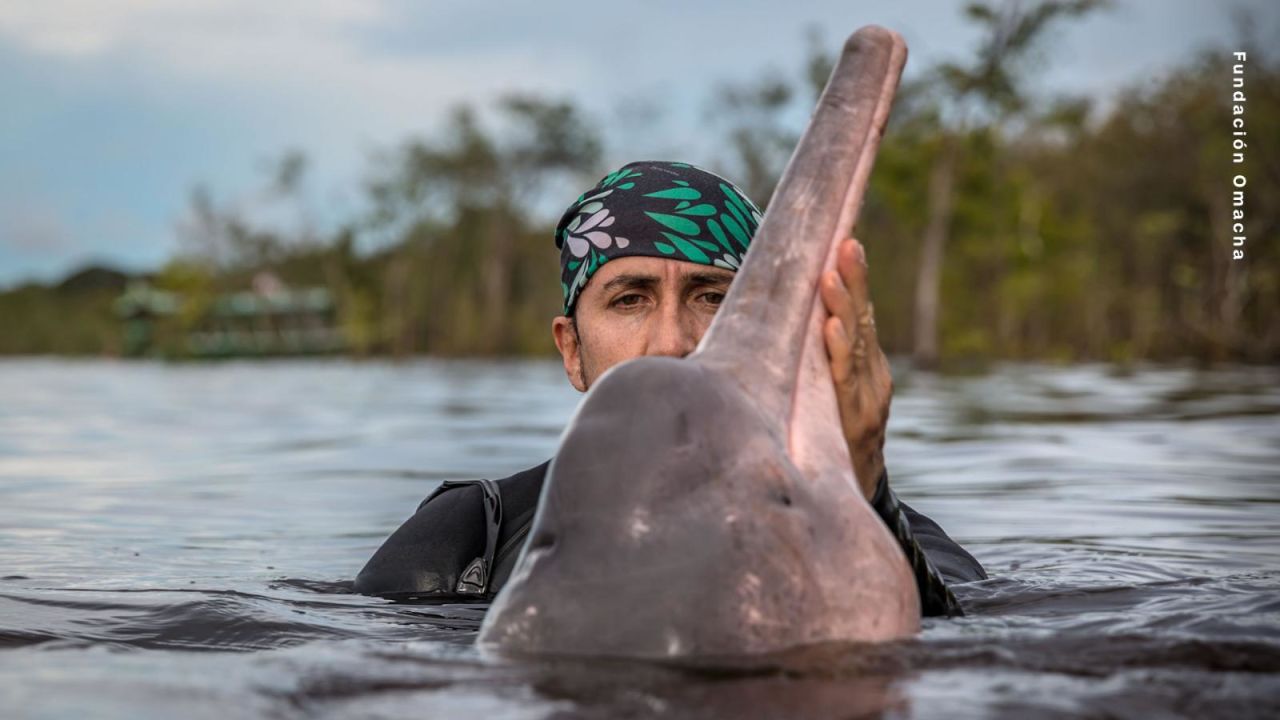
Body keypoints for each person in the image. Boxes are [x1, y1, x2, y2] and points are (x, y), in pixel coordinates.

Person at [355, 160, 986, 616]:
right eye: (629, 300)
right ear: (572, 351)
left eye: (712, 297)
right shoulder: (472, 538)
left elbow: (952, 655)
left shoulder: (889, 531)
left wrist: (863, 484)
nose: (673, 343)